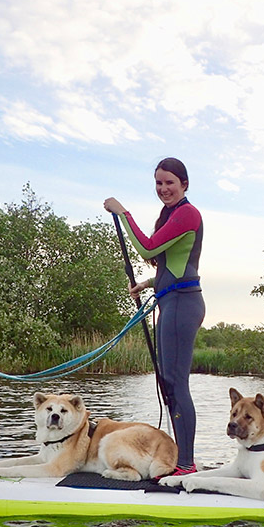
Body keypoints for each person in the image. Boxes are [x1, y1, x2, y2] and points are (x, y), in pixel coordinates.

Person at [104, 157, 205, 477]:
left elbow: (147, 249)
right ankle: (180, 459)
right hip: (169, 301)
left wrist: (124, 214)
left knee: (177, 384)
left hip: (182, 305)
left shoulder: (188, 213)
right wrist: (147, 283)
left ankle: (186, 466)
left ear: (184, 184)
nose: (163, 189)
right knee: (168, 384)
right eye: (159, 183)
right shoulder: (170, 215)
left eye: (169, 183)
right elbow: (167, 263)